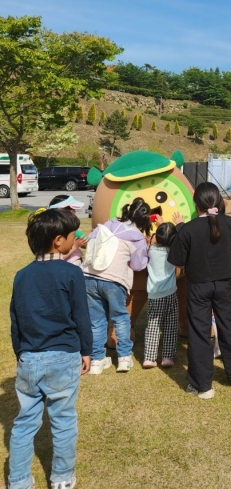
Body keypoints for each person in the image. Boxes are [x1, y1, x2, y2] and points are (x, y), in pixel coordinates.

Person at [9, 208, 93, 489]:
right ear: (59, 240)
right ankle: (62, 478)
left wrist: (20, 352)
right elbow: (82, 315)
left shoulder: (22, 275)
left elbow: (16, 319)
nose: (75, 240)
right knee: (64, 420)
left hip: (29, 358)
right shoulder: (72, 273)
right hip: (64, 356)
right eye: (72, 236)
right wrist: (87, 350)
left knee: (23, 423)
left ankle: (18, 481)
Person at [168, 182, 231, 399]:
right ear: (219, 202)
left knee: (199, 332)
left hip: (198, 287)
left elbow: (175, 259)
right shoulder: (230, 223)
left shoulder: (189, 229)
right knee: (229, 327)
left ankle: (203, 385)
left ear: (197, 204)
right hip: (224, 284)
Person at [82, 197, 151, 374]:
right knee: (120, 317)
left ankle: (97, 361)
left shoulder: (106, 225)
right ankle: (124, 358)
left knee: (96, 321)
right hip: (114, 281)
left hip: (88, 277)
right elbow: (139, 266)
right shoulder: (137, 237)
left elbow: (90, 242)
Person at [144, 221, 183, 369]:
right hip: (171, 292)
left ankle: (149, 358)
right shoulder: (173, 251)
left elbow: (150, 240)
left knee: (152, 326)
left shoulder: (150, 249)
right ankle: (167, 357)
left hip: (154, 294)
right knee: (171, 326)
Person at [47, 195, 88, 266]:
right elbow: (57, 258)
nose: (75, 212)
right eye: (73, 209)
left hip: (77, 263)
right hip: (67, 266)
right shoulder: (56, 232)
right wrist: (75, 246)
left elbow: (84, 244)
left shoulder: (71, 228)